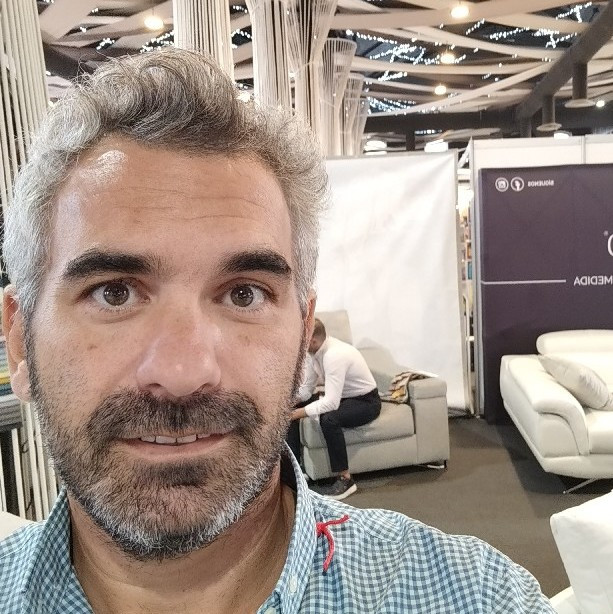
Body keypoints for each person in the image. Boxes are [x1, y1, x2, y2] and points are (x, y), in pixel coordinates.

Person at [0, 48, 556, 613]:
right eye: (114, 293)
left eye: (244, 294)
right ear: (20, 341)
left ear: (302, 331)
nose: (183, 372)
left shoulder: (478, 598)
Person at [288, 319, 381, 500]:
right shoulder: (313, 354)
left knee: (329, 419)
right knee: (296, 408)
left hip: (367, 402)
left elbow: (331, 403)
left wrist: (297, 414)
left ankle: (345, 479)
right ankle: (297, 472)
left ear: (312, 340)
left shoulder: (334, 356)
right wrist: (288, 405)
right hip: (346, 398)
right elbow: (307, 390)